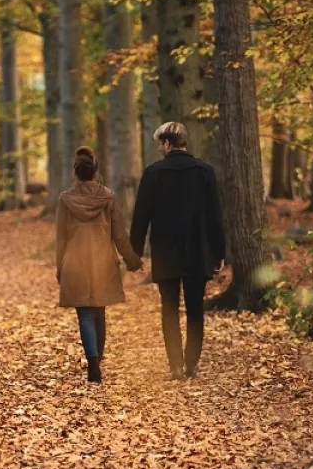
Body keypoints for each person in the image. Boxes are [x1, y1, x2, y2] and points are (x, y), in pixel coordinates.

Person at [129, 121, 225, 380]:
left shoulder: (153, 173)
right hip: (198, 251)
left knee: (169, 309)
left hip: (166, 253)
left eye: (160, 143)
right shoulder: (205, 172)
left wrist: (134, 254)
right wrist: (219, 252)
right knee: (195, 309)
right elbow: (215, 216)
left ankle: (175, 366)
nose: (159, 148)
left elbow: (141, 217)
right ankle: (191, 364)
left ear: (167, 143)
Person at [56, 147, 143, 383]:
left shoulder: (65, 199)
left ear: (76, 173)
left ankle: (93, 362)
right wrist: (132, 260)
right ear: (95, 171)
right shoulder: (108, 197)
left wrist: (60, 268)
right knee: (99, 311)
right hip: (103, 261)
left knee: (84, 315)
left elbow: (61, 238)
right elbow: (119, 234)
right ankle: (99, 358)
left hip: (75, 261)